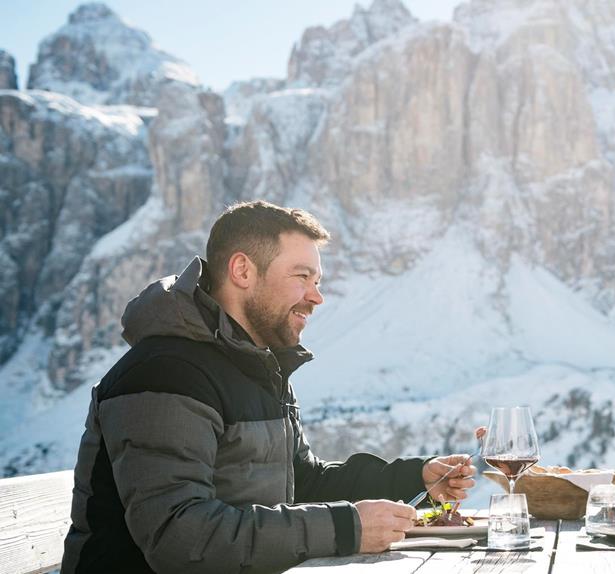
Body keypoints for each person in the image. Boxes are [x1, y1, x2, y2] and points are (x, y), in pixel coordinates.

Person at [62, 201, 477, 573]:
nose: (317, 297)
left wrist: (415, 479)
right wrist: (347, 527)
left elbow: (304, 484)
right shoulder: (165, 373)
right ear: (243, 270)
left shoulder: (258, 367)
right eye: (302, 276)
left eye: (318, 280)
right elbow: (181, 539)